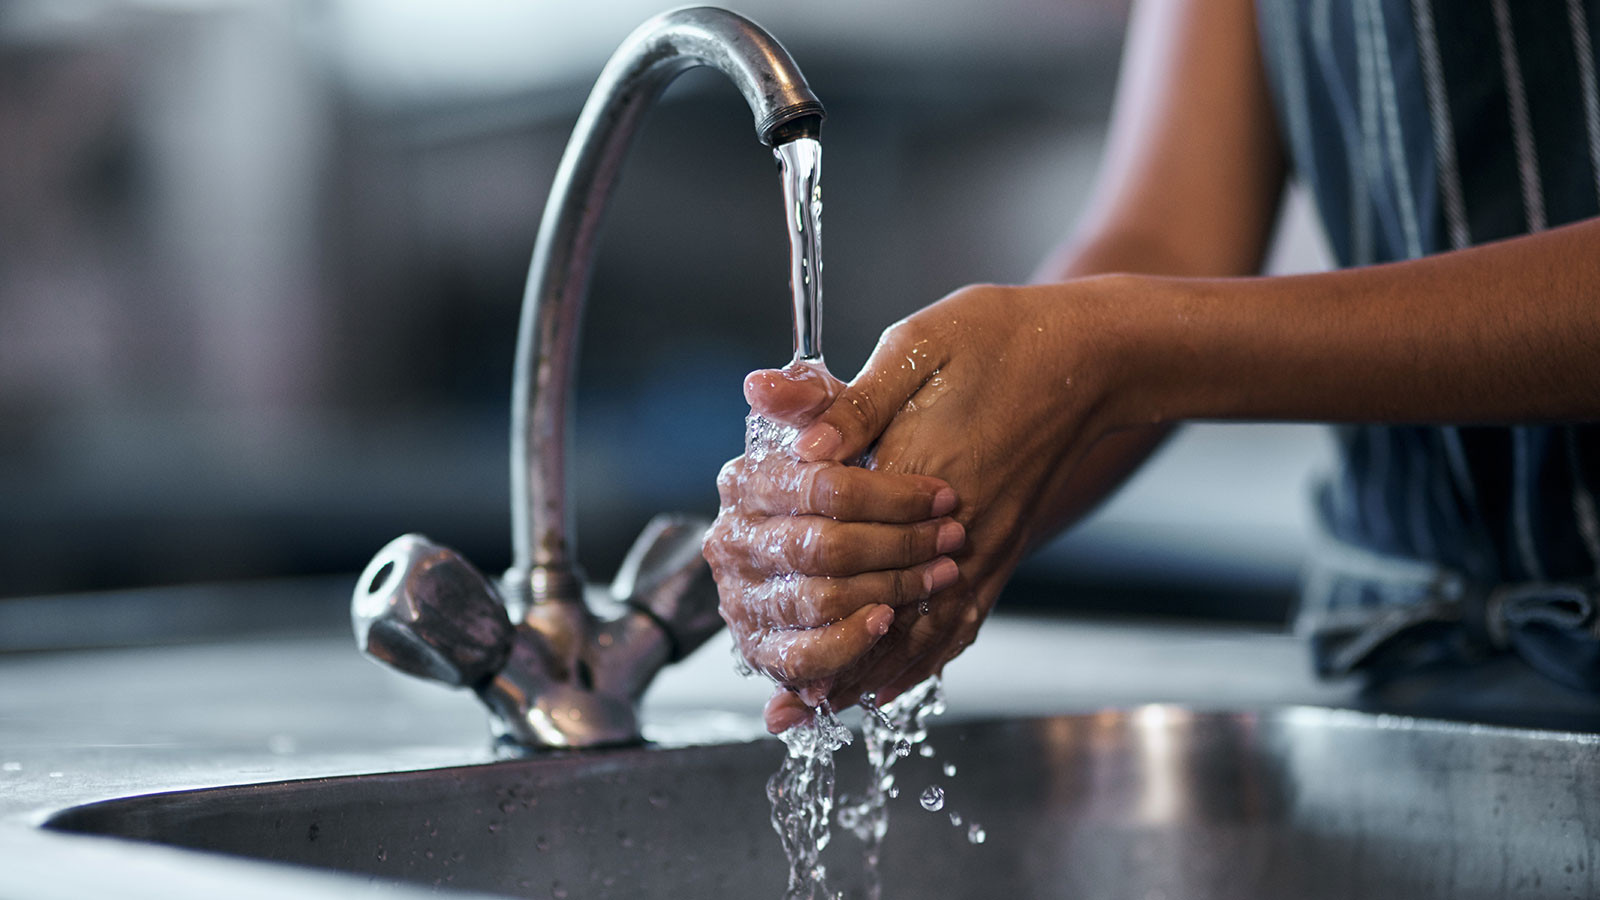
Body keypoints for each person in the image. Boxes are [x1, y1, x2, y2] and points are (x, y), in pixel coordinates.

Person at [702, 0, 1600, 733]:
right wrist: (886, 522)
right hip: (1398, 655)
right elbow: (1172, 232)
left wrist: (1111, 349)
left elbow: (1122, 331)